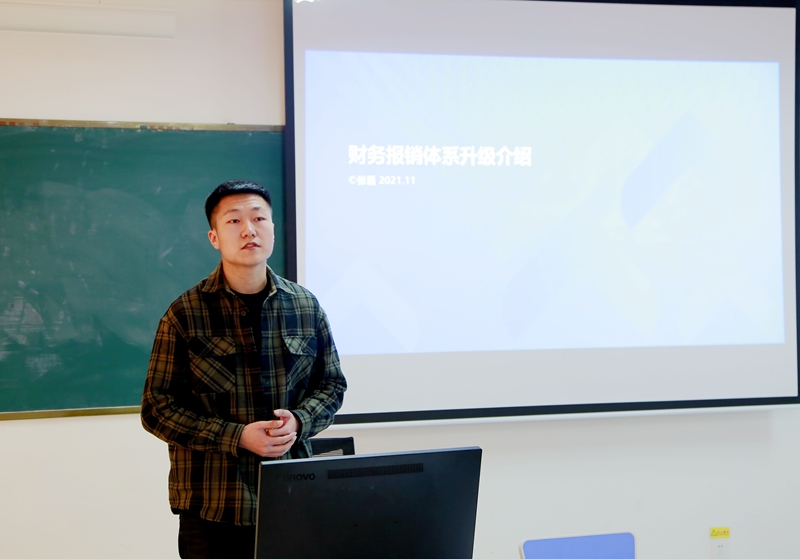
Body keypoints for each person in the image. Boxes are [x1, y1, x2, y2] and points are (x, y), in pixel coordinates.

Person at [141, 180, 346, 559]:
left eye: (259, 218)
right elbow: (157, 409)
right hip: (213, 506)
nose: (249, 230)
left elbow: (331, 386)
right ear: (214, 237)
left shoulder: (305, 306)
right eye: (234, 221)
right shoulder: (185, 313)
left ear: (273, 229)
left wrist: (299, 421)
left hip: (291, 495)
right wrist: (236, 437)